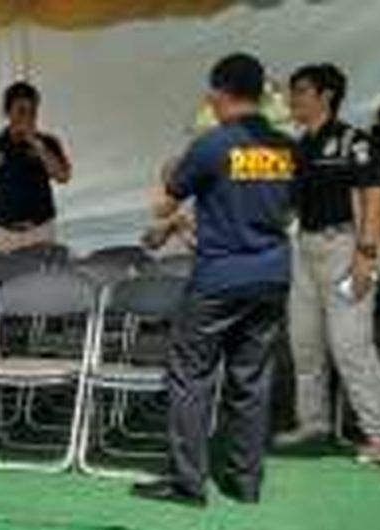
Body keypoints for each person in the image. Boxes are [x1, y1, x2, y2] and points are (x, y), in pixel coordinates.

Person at [134, 53, 297, 507]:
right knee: (253, 378)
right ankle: (245, 482)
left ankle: (189, 482)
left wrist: (165, 177)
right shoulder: (287, 146)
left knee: (191, 375)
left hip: (220, 276)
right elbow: (290, 209)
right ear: (261, 93)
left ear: (219, 93)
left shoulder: (211, 145)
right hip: (272, 274)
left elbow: (164, 208)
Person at [277, 63, 380, 463]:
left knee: (350, 346)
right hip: (304, 249)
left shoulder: (354, 141)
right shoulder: (299, 145)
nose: (292, 99)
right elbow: (286, 202)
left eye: (300, 91)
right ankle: (313, 422)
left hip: (345, 247)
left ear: (326, 95)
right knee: (304, 344)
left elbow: (375, 194)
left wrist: (366, 257)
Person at [0, 80, 72, 253]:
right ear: (7, 112)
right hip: (1, 233)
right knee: (3, 277)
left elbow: (63, 176)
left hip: (40, 230)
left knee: (42, 278)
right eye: (21, 111)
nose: (27, 118)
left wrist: (37, 145)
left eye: (32, 112)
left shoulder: (48, 143)